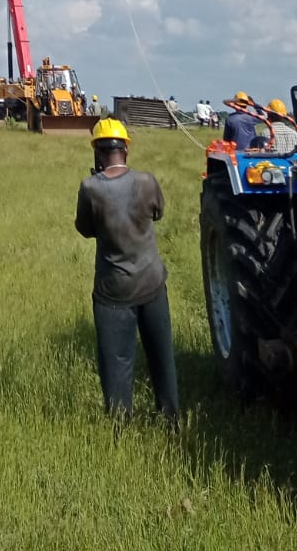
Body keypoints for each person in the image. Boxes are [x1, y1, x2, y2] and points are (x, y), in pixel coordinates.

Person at [74, 119, 178, 423]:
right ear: (126, 149)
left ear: (98, 152)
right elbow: (157, 212)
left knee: (116, 361)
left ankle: (120, 425)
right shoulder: (147, 181)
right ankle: (170, 419)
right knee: (162, 357)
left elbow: (85, 229)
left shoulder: (90, 188)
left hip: (113, 291)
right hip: (152, 284)